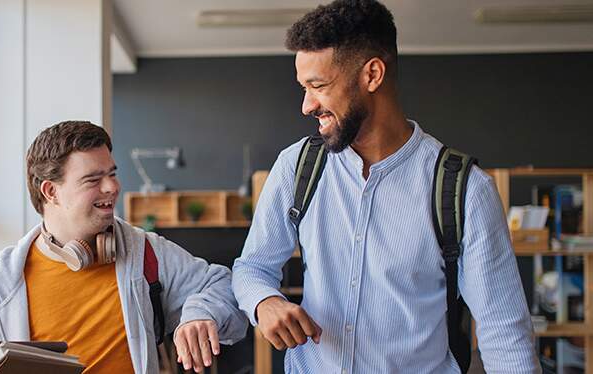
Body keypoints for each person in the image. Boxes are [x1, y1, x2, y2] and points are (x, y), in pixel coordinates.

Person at [231, 1, 538, 372]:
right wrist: (265, 302)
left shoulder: (466, 190)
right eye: (303, 87)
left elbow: (505, 335)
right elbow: (251, 268)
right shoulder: (297, 167)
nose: (306, 105)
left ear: (372, 74)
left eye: (318, 86)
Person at [0, 121, 247, 374]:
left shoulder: (145, 251)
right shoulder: (0, 279)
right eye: (93, 179)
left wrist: (200, 313)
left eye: (112, 174)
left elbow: (226, 287)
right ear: (51, 192)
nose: (112, 186)